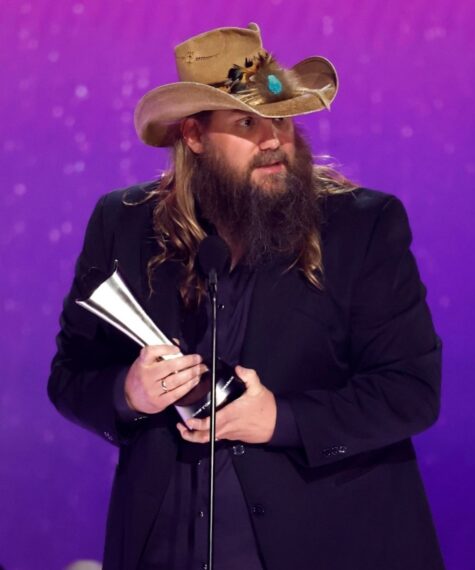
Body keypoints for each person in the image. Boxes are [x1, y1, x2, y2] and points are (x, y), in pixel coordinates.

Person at [48, 23, 443, 569]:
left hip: (325, 542)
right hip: (166, 547)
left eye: (280, 118)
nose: (273, 139)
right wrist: (129, 392)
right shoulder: (123, 223)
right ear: (193, 136)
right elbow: (70, 375)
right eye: (246, 122)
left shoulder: (362, 225)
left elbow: (411, 391)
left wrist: (281, 418)